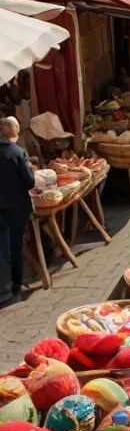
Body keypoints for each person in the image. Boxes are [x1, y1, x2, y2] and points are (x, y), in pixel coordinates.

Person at [0, 117, 33, 304]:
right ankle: (16, 287)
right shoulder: (17, 152)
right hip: (16, 208)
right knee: (15, 247)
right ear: (11, 131)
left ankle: (4, 287)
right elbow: (29, 182)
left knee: (2, 247)